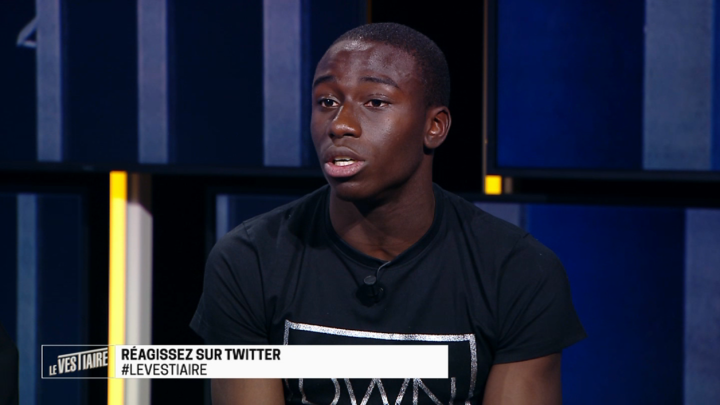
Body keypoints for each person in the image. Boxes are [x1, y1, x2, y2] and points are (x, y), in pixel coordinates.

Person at [191, 22, 586, 404]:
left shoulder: (518, 272)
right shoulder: (249, 261)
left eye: (375, 102)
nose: (340, 125)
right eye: (327, 102)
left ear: (434, 126)